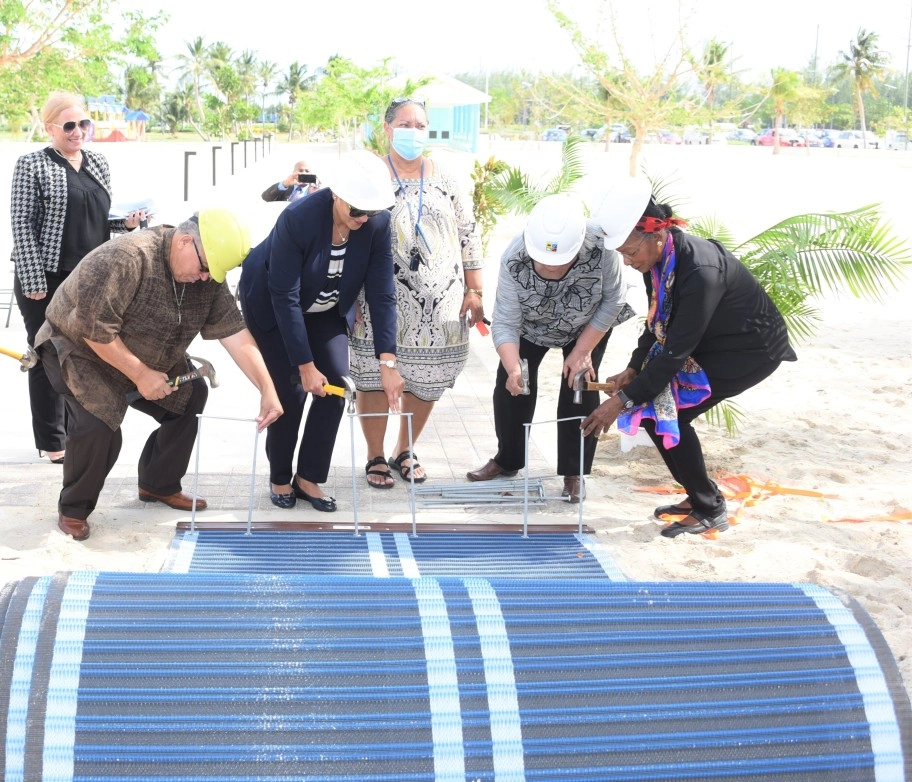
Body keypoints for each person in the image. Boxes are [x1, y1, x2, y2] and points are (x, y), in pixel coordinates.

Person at [33, 208, 283, 542]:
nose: (206, 278)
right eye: (205, 268)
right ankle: (74, 509)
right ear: (184, 242)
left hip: (148, 350)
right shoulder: (126, 257)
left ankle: (158, 483)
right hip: (79, 349)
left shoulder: (208, 276)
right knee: (100, 428)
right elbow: (93, 329)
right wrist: (140, 374)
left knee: (190, 396)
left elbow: (236, 335)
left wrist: (266, 388)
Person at [583, 178, 797, 537]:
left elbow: (674, 351)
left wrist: (620, 402)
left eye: (630, 252)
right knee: (655, 415)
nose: (628, 261)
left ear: (655, 235)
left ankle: (710, 508)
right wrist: (634, 368)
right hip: (712, 343)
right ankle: (699, 496)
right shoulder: (658, 262)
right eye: (621, 254)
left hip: (751, 350)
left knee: (669, 416)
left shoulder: (700, 269)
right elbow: (656, 322)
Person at [238, 150, 404, 511]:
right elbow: (285, 295)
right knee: (291, 391)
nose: (363, 219)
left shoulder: (376, 222)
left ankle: (308, 477)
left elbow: (381, 291)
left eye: (370, 212)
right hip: (273, 303)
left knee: (336, 386)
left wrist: (387, 363)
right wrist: (304, 364)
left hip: (325, 308)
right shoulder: (299, 218)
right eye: (356, 210)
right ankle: (280, 476)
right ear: (337, 194)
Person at [349, 97, 484, 488]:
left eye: (421, 125)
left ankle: (404, 450)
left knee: (428, 379)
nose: (414, 132)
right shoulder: (371, 174)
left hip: (441, 304)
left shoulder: (448, 177)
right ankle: (375, 455)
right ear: (387, 129)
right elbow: (347, 228)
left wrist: (475, 291)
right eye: (406, 124)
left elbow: (469, 234)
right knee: (374, 378)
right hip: (377, 300)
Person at [11, 90, 148, 465]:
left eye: (83, 124)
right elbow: (22, 226)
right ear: (50, 127)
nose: (78, 132)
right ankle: (52, 440)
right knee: (45, 354)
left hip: (88, 279)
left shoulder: (98, 162)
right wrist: (34, 280)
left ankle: (79, 432)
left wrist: (126, 224)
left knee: (84, 356)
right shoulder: (32, 165)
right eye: (69, 125)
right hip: (46, 278)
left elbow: (96, 217)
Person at [466, 194, 632, 502]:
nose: (549, 268)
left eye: (560, 262)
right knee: (513, 387)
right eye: (542, 260)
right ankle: (508, 460)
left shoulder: (601, 246)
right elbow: (504, 321)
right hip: (529, 326)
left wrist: (582, 349)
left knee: (578, 388)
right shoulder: (513, 258)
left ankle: (574, 471)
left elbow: (614, 299)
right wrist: (514, 366)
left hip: (587, 324)